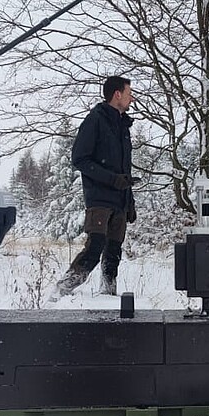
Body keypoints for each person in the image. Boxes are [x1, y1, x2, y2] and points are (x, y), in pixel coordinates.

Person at [55, 76, 136, 297]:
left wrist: (130, 201)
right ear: (117, 94)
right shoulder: (95, 120)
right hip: (99, 199)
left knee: (114, 252)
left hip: (120, 200)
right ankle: (61, 292)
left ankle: (108, 296)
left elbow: (124, 169)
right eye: (129, 93)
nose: (132, 98)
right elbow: (80, 159)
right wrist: (112, 179)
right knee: (95, 246)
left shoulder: (123, 126)